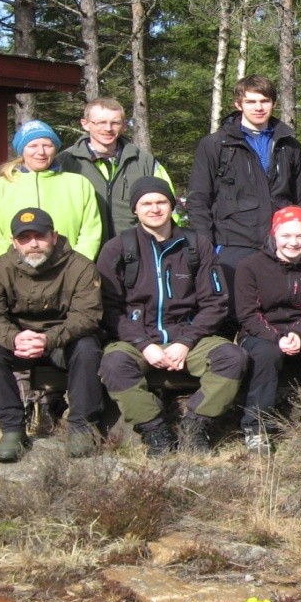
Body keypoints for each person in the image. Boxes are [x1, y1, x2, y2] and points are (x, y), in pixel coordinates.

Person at [98, 177, 248, 456]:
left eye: (161, 202)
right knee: (113, 363)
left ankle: (195, 424)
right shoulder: (118, 248)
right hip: (136, 338)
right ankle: (155, 430)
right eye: (146, 203)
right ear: (135, 209)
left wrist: (186, 341)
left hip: (188, 336)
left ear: (172, 205)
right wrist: (143, 343)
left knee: (233, 358)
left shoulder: (196, 245)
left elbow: (215, 302)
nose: (154, 209)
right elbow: (108, 308)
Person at [0, 208, 104, 462]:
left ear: (54, 236)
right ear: (14, 242)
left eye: (40, 236)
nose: (33, 244)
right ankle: (12, 429)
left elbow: (87, 316)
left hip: (62, 344)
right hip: (19, 344)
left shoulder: (81, 268)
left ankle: (81, 427)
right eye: (24, 238)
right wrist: (14, 338)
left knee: (89, 347)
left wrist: (48, 339)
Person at [186, 75, 301, 294]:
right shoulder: (216, 145)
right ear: (238, 104)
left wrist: (298, 238)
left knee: (277, 307)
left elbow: (300, 198)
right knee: (232, 312)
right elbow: (199, 199)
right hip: (232, 242)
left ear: (273, 103)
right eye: (251, 102)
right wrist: (205, 246)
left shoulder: (289, 146)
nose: (258, 107)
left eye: (264, 101)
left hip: (279, 243)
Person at [234, 205, 301, 454]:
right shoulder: (250, 266)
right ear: (274, 235)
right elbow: (247, 314)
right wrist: (276, 337)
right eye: (286, 236)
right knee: (266, 354)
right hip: (260, 330)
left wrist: (298, 332)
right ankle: (256, 426)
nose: (294, 242)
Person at [0, 119, 103, 263]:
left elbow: (90, 233)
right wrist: (11, 270)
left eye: (47, 145)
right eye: (33, 146)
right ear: (22, 150)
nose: (41, 152)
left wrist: (75, 268)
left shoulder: (78, 185)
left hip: (68, 274)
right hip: (14, 276)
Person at [56, 97, 175, 241]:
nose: (108, 128)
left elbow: (169, 206)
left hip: (136, 250)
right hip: (83, 251)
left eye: (115, 123)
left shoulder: (144, 161)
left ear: (124, 126)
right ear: (85, 124)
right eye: (101, 122)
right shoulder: (65, 162)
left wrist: (169, 243)